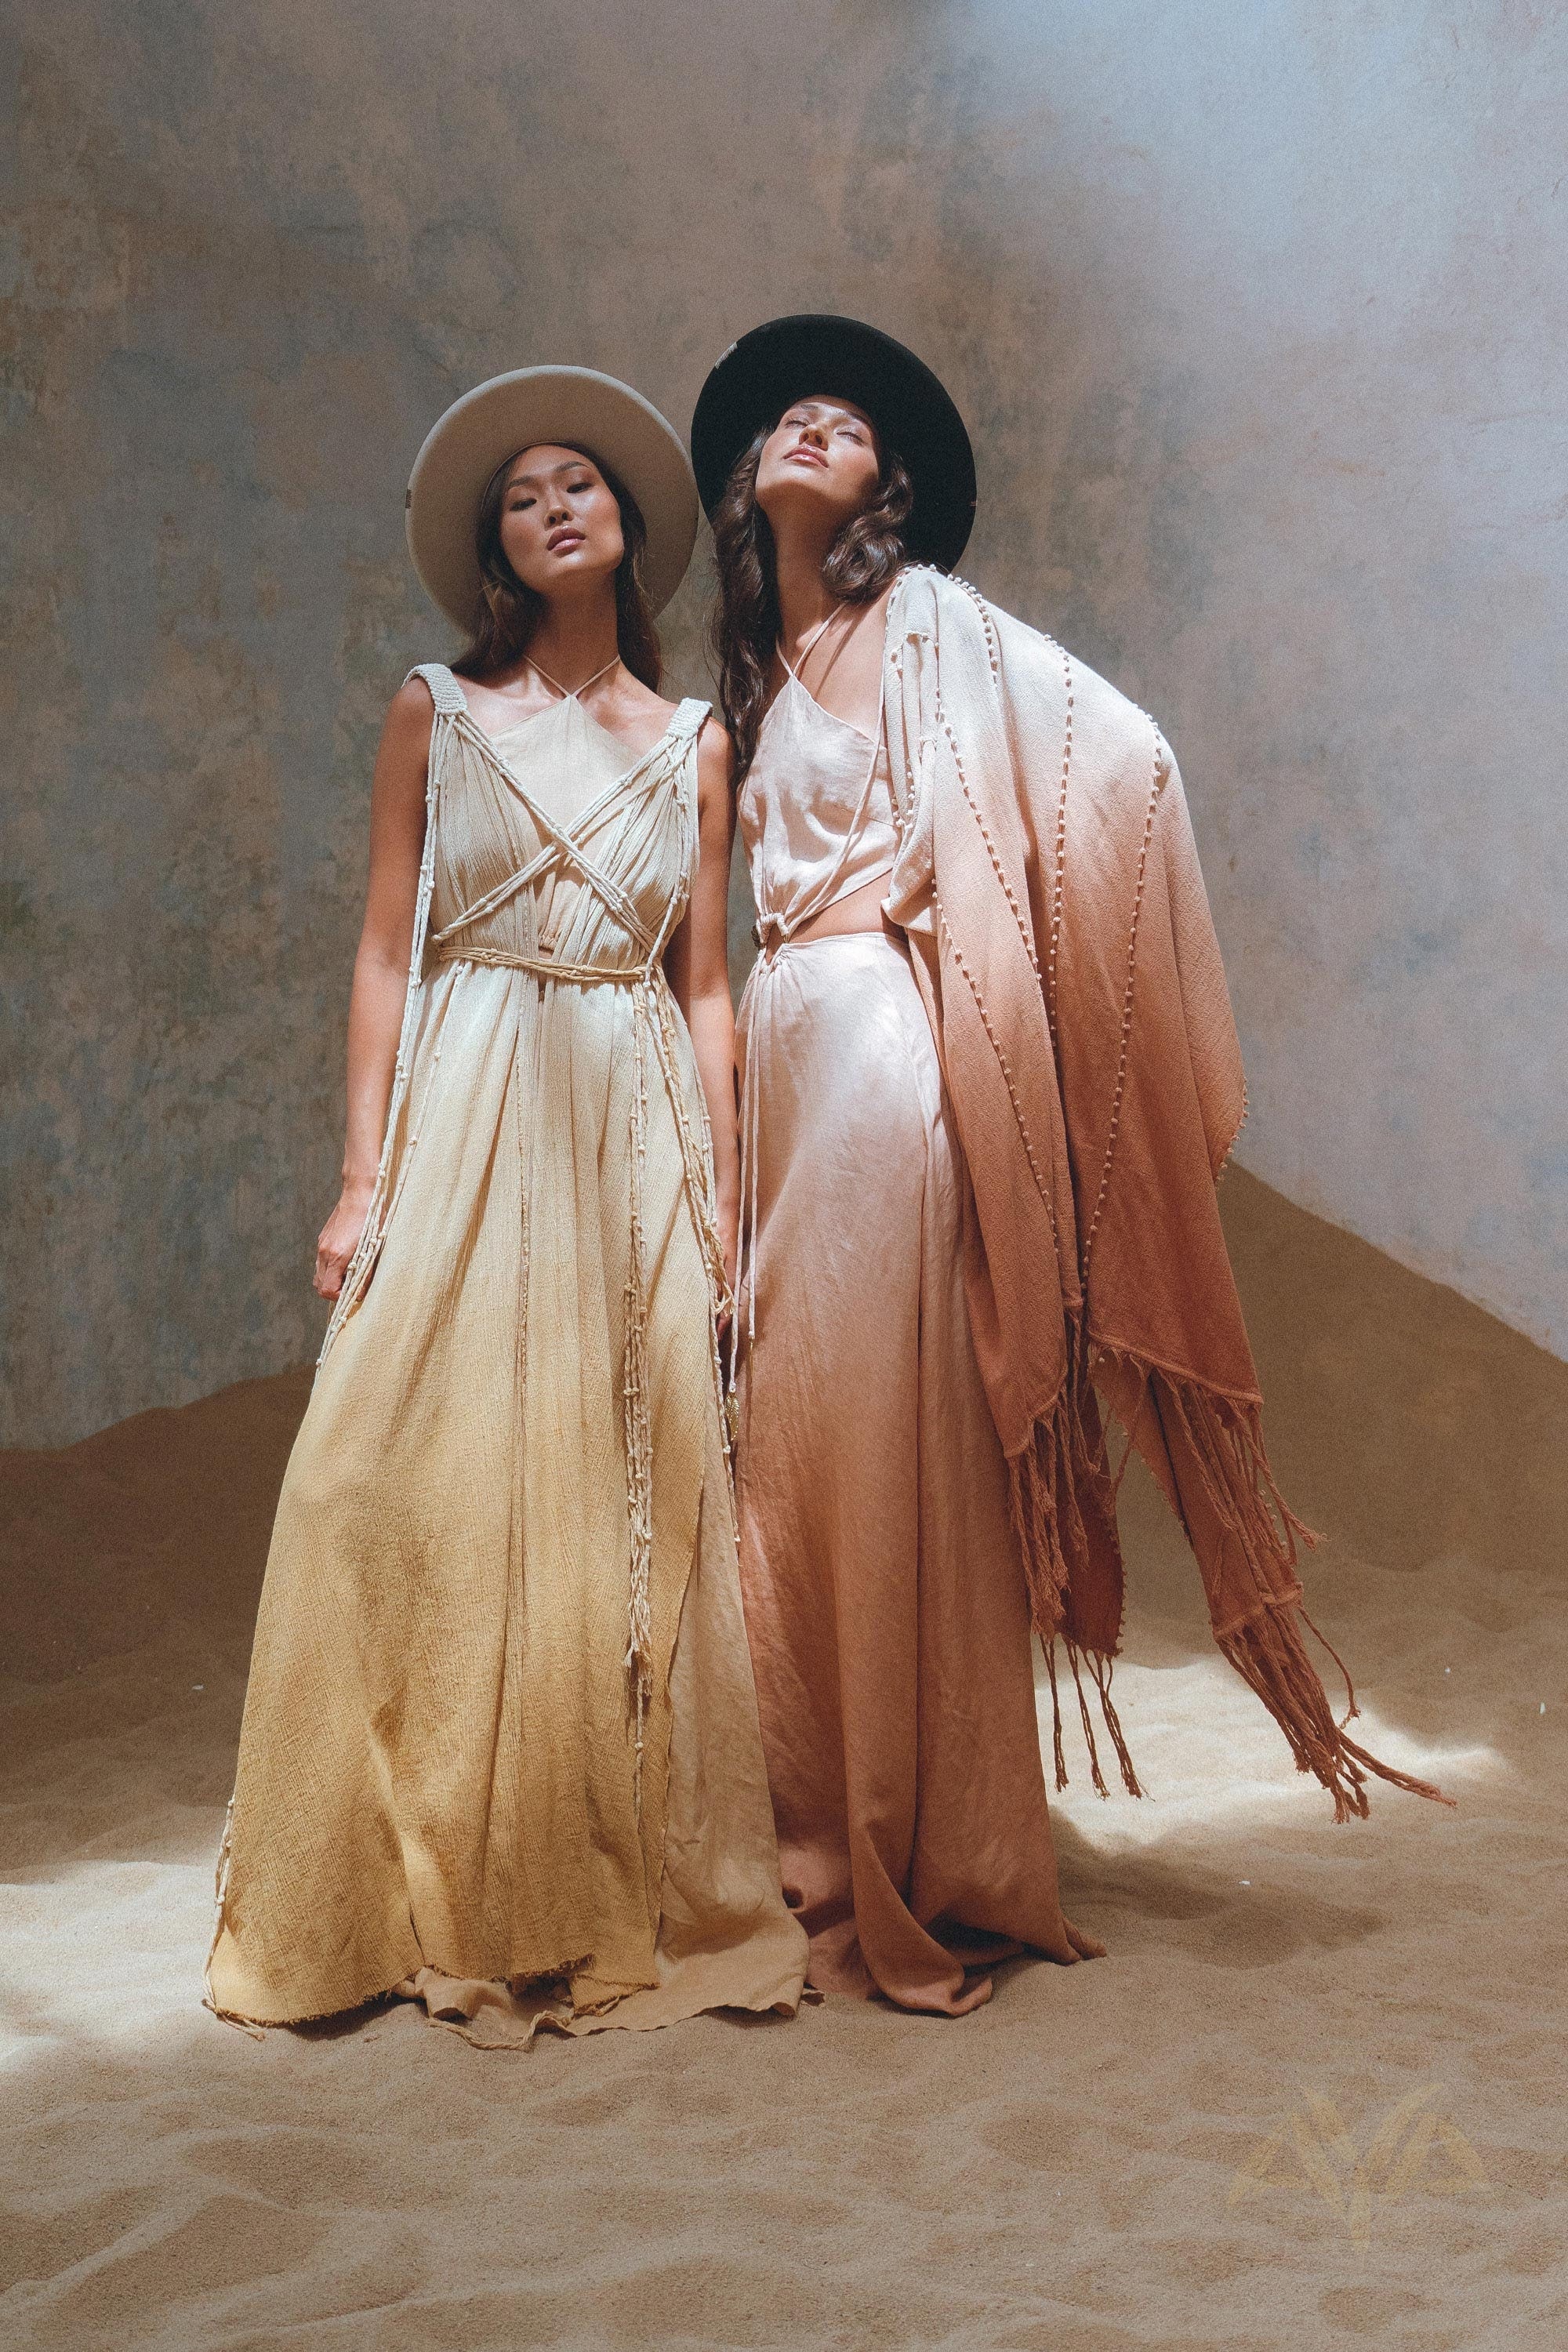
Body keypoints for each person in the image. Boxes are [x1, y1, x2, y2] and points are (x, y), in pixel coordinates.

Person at [691, 314, 1443, 2016]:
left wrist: (988, 944)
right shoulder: (756, 676)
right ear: (748, 483)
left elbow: (1130, 762)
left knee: (887, 1440)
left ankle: (920, 1848)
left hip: (885, 1059)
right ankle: (826, 1821)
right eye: (790, 419)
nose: (817, 424)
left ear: (892, 487)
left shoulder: (929, 624)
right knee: (795, 1439)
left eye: (851, 423)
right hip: (790, 1081)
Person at [206, 365, 807, 2044]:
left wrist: (723, 1199)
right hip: (465, 1095)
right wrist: (357, 1176)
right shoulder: (431, 709)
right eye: (525, 493)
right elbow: (387, 949)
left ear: (626, 529)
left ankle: (579, 1882)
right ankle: (387, 1890)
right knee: (373, 1477)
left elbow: (705, 987)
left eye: (582, 486)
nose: (556, 505)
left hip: (627, 1115)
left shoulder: (695, 743)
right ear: (497, 546)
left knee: (611, 1496)